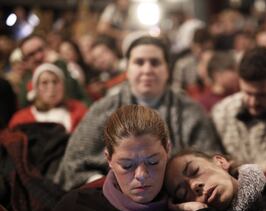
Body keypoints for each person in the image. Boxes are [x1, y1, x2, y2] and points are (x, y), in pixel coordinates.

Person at [15, 105, 198, 211]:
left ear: (168, 149)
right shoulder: (77, 207)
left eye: (153, 162)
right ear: (108, 159)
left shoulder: (187, 209)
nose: (141, 175)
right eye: (127, 166)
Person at [54, 35, 222, 191]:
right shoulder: (103, 110)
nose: (147, 70)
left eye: (155, 62)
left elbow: (210, 161)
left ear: (167, 69)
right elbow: (73, 165)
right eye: (139, 62)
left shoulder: (191, 111)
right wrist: (108, 186)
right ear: (127, 68)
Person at [9, 63, 87, 133]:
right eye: (44, 83)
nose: (51, 87)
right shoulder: (21, 120)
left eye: (55, 82)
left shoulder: (78, 110)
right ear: (36, 88)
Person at [18, 34, 91, 107]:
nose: (38, 56)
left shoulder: (63, 67)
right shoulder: (25, 85)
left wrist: (60, 64)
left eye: (40, 49)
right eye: (31, 54)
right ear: (25, 60)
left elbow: (81, 97)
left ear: (48, 48)